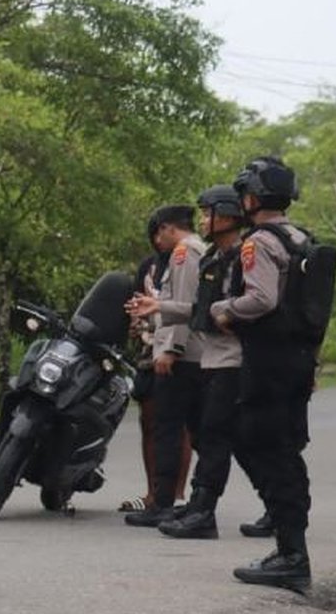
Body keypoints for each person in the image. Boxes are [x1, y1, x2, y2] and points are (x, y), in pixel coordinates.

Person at [130, 185, 265, 539]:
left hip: (213, 357)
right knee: (216, 435)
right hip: (209, 356)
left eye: (209, 213)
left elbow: (241, 303)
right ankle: (203, 506)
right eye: (202, 214)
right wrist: (157, 308)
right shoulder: (211, 255)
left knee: (196, 432)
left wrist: (170, 348)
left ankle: (178, 504)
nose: (204, 220)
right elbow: (195, 307)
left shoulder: (193, 253)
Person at [211, 157, 315, 591]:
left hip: (268, 362)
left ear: (251, 198)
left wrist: (223, 309)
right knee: (285, 449)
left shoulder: (260, 243)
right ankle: (291, 546)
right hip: (298, 360)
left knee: (263, 445)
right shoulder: (300, 238)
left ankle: (291, 555)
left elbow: (260, 299)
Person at [125, 205, 206, 528]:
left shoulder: (184, 253)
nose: (156, 239)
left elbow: (184, 310)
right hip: (193, 353)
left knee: (170, 430)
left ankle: (166, 503)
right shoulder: (199, 249)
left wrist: (170, 349)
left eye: (159, 232)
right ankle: (190, 502)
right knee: (193, 431)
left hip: (182, 356)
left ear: (169, 229)